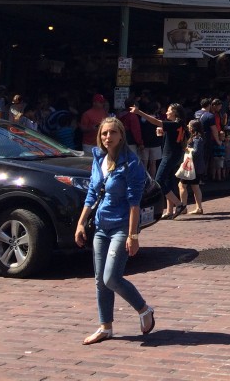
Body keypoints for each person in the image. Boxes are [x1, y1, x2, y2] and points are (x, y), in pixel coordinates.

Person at [74, 116, 155, 345]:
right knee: (100, 280)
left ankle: (144, 309)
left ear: (121, 135)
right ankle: (105, 327)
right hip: (101, 226)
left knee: (111, 277)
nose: (107, 137)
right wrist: (81, 222)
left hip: (121, 227)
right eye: (103, 133)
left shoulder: (131, 164)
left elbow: (134, 203)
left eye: (112, 133)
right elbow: (92, 192)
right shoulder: (98, 157)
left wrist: (133, 235)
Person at [131, 102, 187, 219]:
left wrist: (139, 112)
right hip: (174, 155)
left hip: (169, 155)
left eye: (168, 110)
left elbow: (155, 121)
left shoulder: (175, 123)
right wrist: (163, 133)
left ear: (175, 112)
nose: (166, 112)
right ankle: (169, 211)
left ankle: (179, 204)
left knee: (159, 180)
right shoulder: (179, 123)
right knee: (168, 181)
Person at [177, 119, 205, 214]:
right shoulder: (197, 138)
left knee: (182, 185)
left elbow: (196, 152)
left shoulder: (197, 139)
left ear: (193, 128)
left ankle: (184, 207)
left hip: (193, 168)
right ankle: (199, 208)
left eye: (189, 125)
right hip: (196, 167)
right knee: (195, 186)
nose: (188, 127)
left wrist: (187, 149)